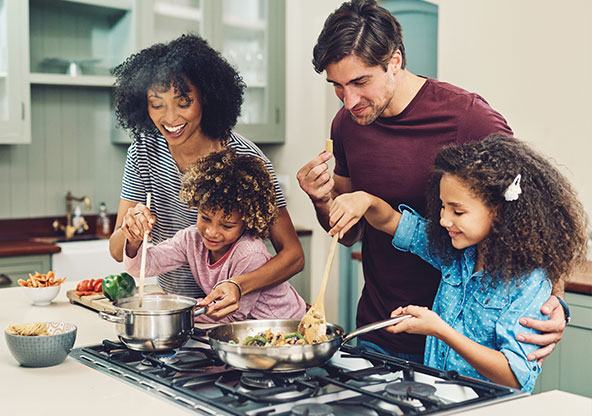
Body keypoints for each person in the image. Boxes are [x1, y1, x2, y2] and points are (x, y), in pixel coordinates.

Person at [297, 0, 567, 363]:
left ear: (394, 61)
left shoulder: (469, 118)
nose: (349, 101)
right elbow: (349, 235)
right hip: (380, 330)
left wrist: (557, 300)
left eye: (360, 82)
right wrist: (322, 200)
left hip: (468, 346)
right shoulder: (346, 125)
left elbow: (536, 217)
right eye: (338, 86)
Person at [327, 135, 588, 392]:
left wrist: (440, 330)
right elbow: (391, 222)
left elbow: (514, 375)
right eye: (442, 207)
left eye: (457, 211)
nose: (444, 220)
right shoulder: (454, 253)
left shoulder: (529, 283)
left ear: (497, 210)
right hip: (439, 397)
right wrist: (366, 200)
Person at [109, 34, 304, 320]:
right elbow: (118, 250)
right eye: (157, 104)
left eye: (183, 101)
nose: (170, 117)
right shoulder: (143, 151)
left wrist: (237, 285)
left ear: (206, 98)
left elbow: (293, 256)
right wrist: (131, 232)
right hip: (181, 311)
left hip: (233, 317)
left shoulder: (246, 160)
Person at [123, 149, 306, 323]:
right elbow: (141, 267)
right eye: (205, 218)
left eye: (227, 226)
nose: (211, 232)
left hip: (285, 323)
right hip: (248, 327)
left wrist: (171, 304)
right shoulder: (192, 239)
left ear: (247, 221)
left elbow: (231, 315)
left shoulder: (249, 253)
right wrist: (135, 239)